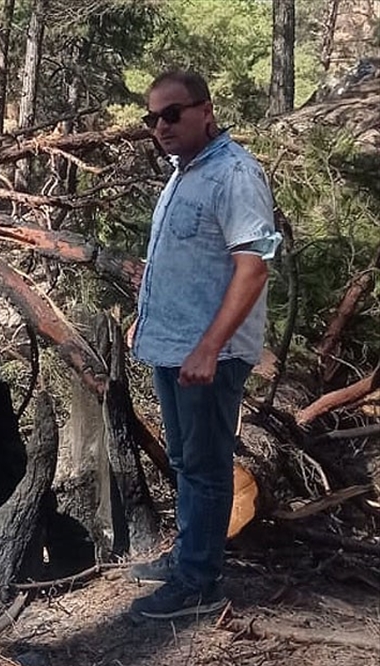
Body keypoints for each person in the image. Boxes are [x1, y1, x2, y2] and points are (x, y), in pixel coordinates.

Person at [127, 71, 280, 619]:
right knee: (185, 459)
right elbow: (181, 262)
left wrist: (210, 347)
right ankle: (188, 559)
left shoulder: (235, 174)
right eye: (152, 118)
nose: (161, 126)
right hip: (171, 346)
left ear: (205, 111)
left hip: (206, 355)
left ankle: (199, 582)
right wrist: (146, 318)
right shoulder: (181, 175)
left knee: (208, 465)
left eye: (172, 114)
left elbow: (254, 267)